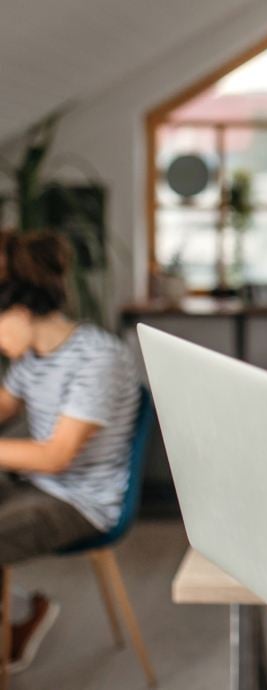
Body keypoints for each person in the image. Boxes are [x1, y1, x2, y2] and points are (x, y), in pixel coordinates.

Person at [0, 230, 140, 673]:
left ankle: (20, 615)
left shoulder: (97, 358)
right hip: (39, 488)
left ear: (20, 312)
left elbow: (56, 456)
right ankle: (22, 610)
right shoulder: (31, 360)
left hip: (82, 503)